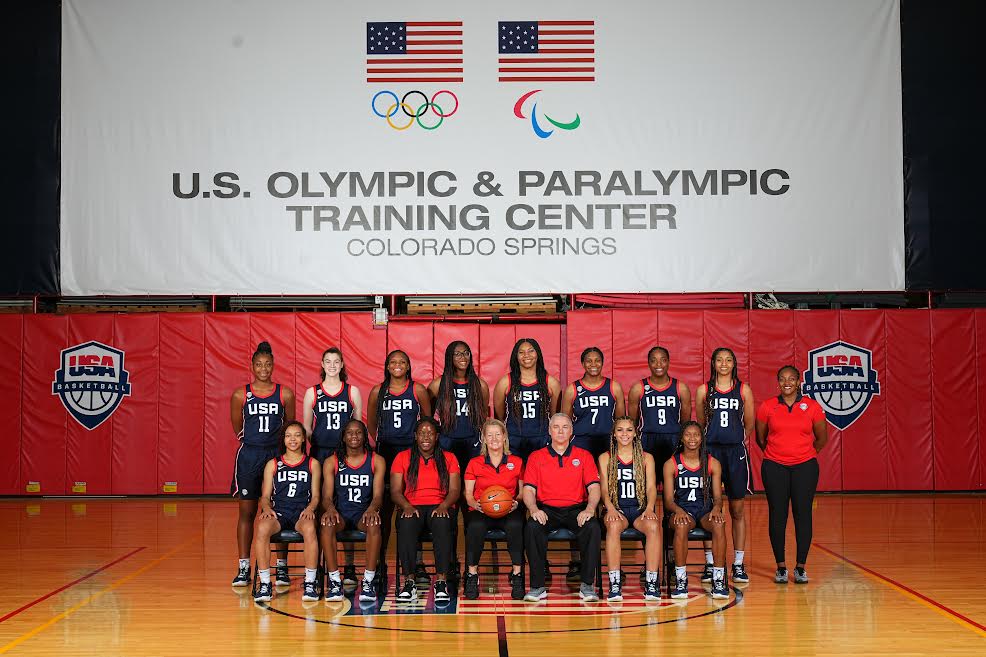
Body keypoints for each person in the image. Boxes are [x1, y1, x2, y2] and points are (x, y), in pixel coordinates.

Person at [230, 341, 296, 588]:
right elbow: (237, 427)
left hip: (276, 455)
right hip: (250, 455)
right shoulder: (241, 394)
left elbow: (290, 427)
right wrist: (254, 443)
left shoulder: (284, 393)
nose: (264, 368)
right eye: (259, 364)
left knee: (280, 509)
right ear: (252, 366)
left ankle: (281, 567)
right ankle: (244, 566)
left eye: (268, 364)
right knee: (246, 512)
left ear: (273, 366)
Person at [755, 365, 828, 584]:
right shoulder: (768, 406)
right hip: (774, 466)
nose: (787, 382)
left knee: (802, 514)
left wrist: (804, 455)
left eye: (791, 379)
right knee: (778, 515)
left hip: (805, 467)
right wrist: (777, 454)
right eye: (782, 379)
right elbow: (761, 438)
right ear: (778, 383)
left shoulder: (812, 407)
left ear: (798, 382)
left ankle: (800, 567)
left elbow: (822, 438)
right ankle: (780, 567)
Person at [522, 414, 602, 602]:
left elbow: (594, 488)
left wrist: (590, 509)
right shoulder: (536, 457)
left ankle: (587, 586)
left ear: (571, 431)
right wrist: (534, 509)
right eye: (556, 427)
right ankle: (537, 587)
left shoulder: (584, 456)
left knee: (593, 527)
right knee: (532, 527)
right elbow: (528, 490)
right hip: (546, 509)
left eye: (565, 427)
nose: (560, 431)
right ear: (549, 431)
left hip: (576, 509)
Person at [366, 350, 431, 573]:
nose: (397, 365)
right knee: (384, 508)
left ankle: (418, 561)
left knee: (414, 504)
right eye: (393, 362)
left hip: (411, 452)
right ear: (387, 366)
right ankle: (379, 562)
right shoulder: (378, 391)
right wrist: (381, 442)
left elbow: (427, 422)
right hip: (386, 450)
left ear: (408, 366)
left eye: (402, 362)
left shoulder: (417, 390)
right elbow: (371, 422)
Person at [694, 347, 754, 584]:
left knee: (737, 510)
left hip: (735, 452)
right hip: (711, 452)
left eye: (728, 360)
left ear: (734, 364)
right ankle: (710, 563)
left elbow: (749, 423)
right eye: (719, 360)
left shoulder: (743, 390)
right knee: (709, 508)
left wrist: (735, 439)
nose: (724, 364)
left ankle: (738, 563)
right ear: (713, 364)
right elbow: (700, 422)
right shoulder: (704, 390)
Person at [390, 418, 461, 603]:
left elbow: (454, 490)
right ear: (415, 436)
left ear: (437, 437)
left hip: (440, 505)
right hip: (412, 505)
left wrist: (444, 505)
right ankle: (409, 582)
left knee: (442, 522)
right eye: (422, 433)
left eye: (430, 433)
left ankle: (441, 583)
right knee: (406, 523)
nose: (426, 437)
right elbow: (396, 490)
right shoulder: (402, 457)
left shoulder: (450, 457)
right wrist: (406, 506)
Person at [252, 421, 321, 603]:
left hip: (301, 511)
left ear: (303, 439)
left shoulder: (312, 463)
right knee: (262, 529)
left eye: (297, 435)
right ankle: (266, 584)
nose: (293, 439)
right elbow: (265, 496)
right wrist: (266, 508)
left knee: (310, 529)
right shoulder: (273, 464)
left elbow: (316, 496)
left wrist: (311, 508)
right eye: (289, 435)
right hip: (279, 512)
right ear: (283, 439)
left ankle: (310, 582)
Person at [319, 419, 386, 603]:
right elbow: (326, 497)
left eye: (358, 432)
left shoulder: (376, 461)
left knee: (374, 523)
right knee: (326, 523)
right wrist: (331, 509)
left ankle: (369, 581)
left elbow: (378, 495)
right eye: (349, 433)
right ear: (343, 437)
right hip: (341, 513)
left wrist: (372, 509)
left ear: (365, 436)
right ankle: (334, 582)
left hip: (362, 514)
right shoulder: (332, 461)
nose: (354, 436)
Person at [598, 417, 662, 601]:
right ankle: (615, 583)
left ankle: (651, 582)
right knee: (613, 526)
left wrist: (649, 509)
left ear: (635, 433)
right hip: (617, 508)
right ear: (614, 434)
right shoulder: (606, 457)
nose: (624, 434)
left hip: (640, 508)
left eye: (628, 430)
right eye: (620, 430)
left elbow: (650, 487)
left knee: (653, 526)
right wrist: (609, 508)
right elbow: (604, 488)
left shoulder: (646, 458)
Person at [663, 421, 729, 600]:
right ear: (682, 438)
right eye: (688, 435)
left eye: (696, 435)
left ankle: (718, 579)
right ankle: (681, 580)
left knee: (718, 523)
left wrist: (716, 508)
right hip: (682, 510)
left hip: (704, 511)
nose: (692, 438)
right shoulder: (671, 463)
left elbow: (717, 497)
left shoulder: (712, 463)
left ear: (702, 438)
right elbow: (668, 500)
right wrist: (677, 510)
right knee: (682, 525)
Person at [462, 419, 525, 600]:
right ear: (484, 439)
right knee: (474, 527)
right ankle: (472, 575)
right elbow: (468, 494)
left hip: (509, 510)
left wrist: (516, 503)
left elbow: (522, 493)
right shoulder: (475, 463)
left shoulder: (517, 462)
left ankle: (517, 574)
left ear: (505, 437)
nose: (494, 438)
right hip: (482, 510)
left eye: (498, 434)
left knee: (516, 525)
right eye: (489, 435)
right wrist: (474, 504)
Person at [493, 338, 561, 462]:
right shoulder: (505, 382)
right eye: (521, 352)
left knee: (540, 479)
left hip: (541, 438)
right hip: (514, 439)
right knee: (514, 479)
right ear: (516, 356)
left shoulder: (551, 383)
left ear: (538, 354)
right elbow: (499, 417)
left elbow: (555, 416)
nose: (526, 355)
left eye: (531, 351)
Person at [428, 341, 490, 474]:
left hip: (472, 440)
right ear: (450, 357)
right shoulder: (438, 384)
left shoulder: (480, 385)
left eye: (466, 353)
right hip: (447, 439)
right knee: (449, 481)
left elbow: (483, 413)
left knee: (471, 480)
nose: (463, 357)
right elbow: (430, 413)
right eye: (457, 354)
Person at [628, 346, 692, 470]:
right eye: (653, 360)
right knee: (647, 483)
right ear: (648, 363)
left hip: (673, 439)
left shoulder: (681, 388)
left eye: (663, 360)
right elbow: (632, 422)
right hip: (647, 439)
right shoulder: (638, 388)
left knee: (673, 483)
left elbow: (685, 422)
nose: (658, 364)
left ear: (668, 362)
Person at [561, 346, 626, 458]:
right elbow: (565, 421)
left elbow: (620, 421)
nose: (593, 364)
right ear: (583, 364)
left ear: (602, 362)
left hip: (607, 439)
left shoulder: (614, 387)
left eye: (597, 361)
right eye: (589, 361)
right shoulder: (572, 389)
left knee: (608, 474)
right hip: (581, 440)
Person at [303, 347, 362, 464]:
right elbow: (307, 428)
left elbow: (358, 426)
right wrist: (319, 441)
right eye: (328, 362)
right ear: (322, 364)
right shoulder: (312, 392)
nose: (332, 365)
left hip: (345, 450)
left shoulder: (352, 391)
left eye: (336, 362)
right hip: (319, 450)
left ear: (341, 365)